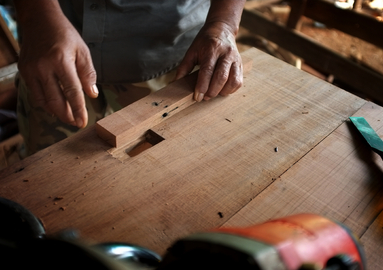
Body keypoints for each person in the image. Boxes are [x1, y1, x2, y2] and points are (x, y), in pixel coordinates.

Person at [13, 0, 246, 156]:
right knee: (48, 181)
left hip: (175, 61)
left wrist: (224, 22)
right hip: (53, 48)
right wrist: (36, 13)